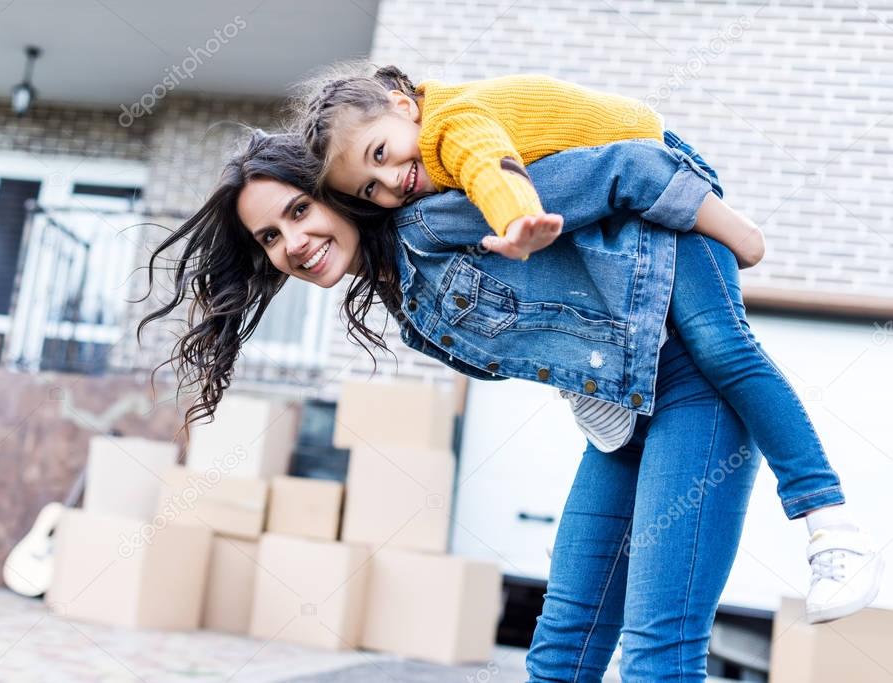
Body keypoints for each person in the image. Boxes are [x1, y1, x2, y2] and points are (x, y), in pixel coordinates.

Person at [140, 131, 762, 679]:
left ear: (338, 191)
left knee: (658, 654)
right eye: (271, 237)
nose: (294, 242)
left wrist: (734, 247)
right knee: (559, 653)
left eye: (300, 210)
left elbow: (624, 168)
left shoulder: (444, 216)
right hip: (623, 421)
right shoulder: (404, 297)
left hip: (695, 388)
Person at [293, 64, 883, 623]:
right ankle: (598, 391)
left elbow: (490, 167)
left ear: (404, 107)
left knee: (721, 346)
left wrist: (516, 219)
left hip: (668, 177)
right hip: (634, 213)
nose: (391, 181)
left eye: (381, 154)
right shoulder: (420, 193)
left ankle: (832, 526)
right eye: (370, 190)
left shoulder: (451, 123)